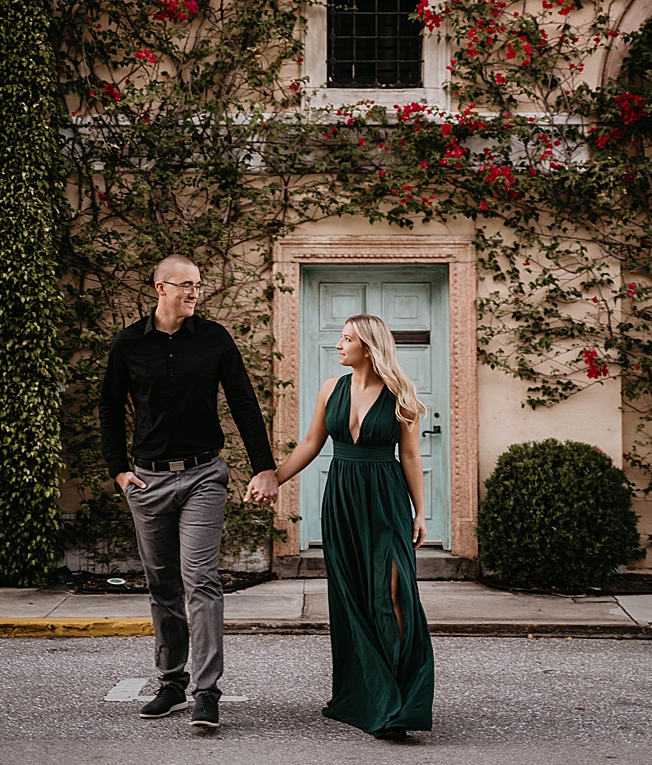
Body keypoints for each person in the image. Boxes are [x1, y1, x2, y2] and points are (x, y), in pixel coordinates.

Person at [99, 254, 281, 730]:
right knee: (163, 585)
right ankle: (172, 684)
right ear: (160, 288)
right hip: (148, 481)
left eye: (198, 284)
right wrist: (119, 471)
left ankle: (207, 692)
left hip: (203, 476)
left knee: (200, 580)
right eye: (186, 284)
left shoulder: (214, 339)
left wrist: (264, 468)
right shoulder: (129, 344)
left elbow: (243, 402)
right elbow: (109, 406)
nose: (195, 292)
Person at [252, 313, 433, 739]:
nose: (338, 345)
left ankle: (400, 698)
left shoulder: (401, 393)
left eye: (347, 339)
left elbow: (409, 456)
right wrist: (274, 478)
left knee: (394, 593)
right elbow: (311, 443)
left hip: (386, 500)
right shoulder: (331, 388)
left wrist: (420, 512)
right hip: (342, 501)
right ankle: (369, 696)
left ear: (367, 348)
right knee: (350, 594)